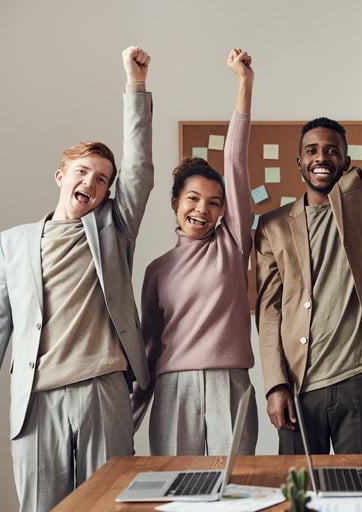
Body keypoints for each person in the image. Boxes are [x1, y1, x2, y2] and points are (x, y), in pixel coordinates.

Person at [0, 46, 154, 511]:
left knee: (109, 504)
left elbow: (141, 170)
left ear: (109, 192)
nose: (92, 181)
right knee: (41, 507)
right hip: (37, 398)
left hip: (103, 391)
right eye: (83, 171)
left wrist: (135, 85)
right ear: (61, 175)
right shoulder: (13, 243)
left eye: (103, 178)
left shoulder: (114, 230)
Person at [254, 7, 362, 455]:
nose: (321, 156)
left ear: (345, 161)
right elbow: (268, 312)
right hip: (298, 384)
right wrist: (274, 385)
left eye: (331, 150)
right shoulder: (271, 227)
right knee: (297, 494)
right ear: (299, 162)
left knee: (360, 493)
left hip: (361, 377)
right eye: (311, 150)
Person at [131, 48, 258, 456]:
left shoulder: (233, 244)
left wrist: (244, 83)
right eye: (193, 199)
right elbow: (149, 349)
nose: (202, 209)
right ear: (175, 202)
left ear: (225, 210)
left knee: (236, 489)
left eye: (214, 202)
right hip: (173, 390)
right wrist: (128, 422)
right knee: (175, 490)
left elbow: (235, 161)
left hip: (231, 384)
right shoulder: (157, 271)